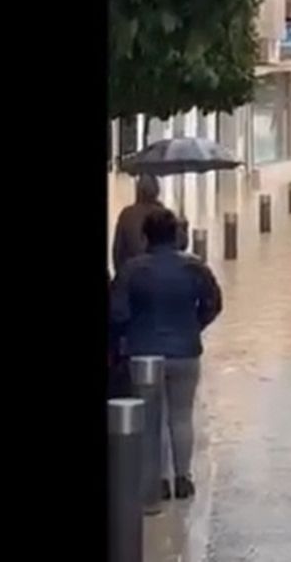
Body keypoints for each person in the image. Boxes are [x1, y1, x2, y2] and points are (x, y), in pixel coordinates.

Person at [110, 209, 223, 500]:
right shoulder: (195, 267)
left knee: (152, 420)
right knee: (182, 416)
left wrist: (129, 335)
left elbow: (117, 312)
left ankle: (157, 481)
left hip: (143, 354)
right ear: (176, 236)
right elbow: (213, 303)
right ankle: (183, 478)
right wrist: (194, 326)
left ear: (146, 236)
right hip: (186, 352)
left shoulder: (132, 270)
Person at [111, 175, 164, 274]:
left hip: (131, 274)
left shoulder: (127, 214)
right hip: (159, 275)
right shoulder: (163, 214)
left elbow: (117, 251)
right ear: (157, 191)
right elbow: (178, 245)